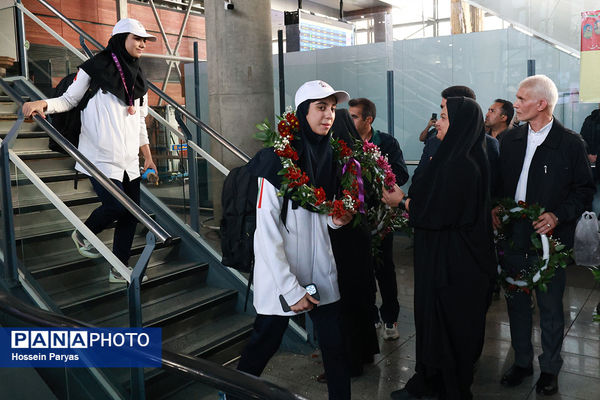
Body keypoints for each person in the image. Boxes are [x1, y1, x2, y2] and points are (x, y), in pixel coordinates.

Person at [236, 80, 353, 400]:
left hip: (321, 271)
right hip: (282, 278)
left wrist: (337, 218)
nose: (329, 115)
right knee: (263, 345)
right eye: (320, 107)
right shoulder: (276, 161)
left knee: (336, 347)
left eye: (332, 108)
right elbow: (267, 233)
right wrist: (290, 288)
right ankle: (231, 394)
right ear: (303, 112)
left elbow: (321, 213)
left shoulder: (329, 156)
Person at [22, 18, 157, 283]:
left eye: (144, 40)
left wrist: (148, 157)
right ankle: (85, 232)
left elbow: (139, 120)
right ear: (121, 39)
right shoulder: (93, 68)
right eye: (136, 38)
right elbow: (69, 100)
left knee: (131, 215)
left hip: (129, 159)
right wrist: (43, 104)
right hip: (99, 157)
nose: (142, 44)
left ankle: (118, 268)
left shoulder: (139, 79)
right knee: (115, 207)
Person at [384, 97, 496, 400]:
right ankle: (429, 380)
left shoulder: (463, 165)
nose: (437, 123)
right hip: (442, 258)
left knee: (451, 326)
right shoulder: (456, 155)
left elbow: (440, 213)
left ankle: (450, 388)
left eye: (444, 117)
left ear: (459, 123)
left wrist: (402, 202)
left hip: (456, 265)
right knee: (434, 320)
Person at [492, 75, 594, 396]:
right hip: (513, 237)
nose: (516, 104)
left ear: (541, 104)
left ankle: (549, 368)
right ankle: (522, 362)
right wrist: (495, 207)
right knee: (517, 302)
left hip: (550, 242)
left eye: (522, 99)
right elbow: (500, 182)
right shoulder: (509, 140)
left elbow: (583, 190)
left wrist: (557, 215)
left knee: (550, 308)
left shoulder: (570, 143)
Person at [348, 98, 409, 340]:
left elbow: (401, 174)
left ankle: (390, 318)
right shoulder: (345, 143)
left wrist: (376, 172)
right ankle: (370, 315)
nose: (349, 120)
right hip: (353, 217)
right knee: (360, 269)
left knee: (384, 269)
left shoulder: (386, 143)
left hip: (381, 217)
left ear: (368, 120)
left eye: (354, 116)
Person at [325, 108, 380, 378]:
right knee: (361, 293)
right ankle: (365, 350)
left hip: (342, 234)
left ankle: (350, 361)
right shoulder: (363, 156)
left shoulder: (340, 159)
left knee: (344, 298)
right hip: (360, 233)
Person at [412, 86, 499, 185]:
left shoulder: (488, 144)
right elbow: (417, 178)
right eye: (442, 108)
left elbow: (490, 185)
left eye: (448, 108)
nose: (438, 121)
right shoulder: (434, 141)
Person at [580, 104, 600, 215]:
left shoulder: (590, 119)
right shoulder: (590, 119)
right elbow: (582, 139)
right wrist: (587, 155)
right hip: (589, 165)